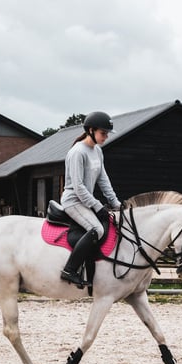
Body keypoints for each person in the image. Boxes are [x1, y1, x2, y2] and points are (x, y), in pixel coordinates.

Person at [59, 111, 122, 287]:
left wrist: (116, 203)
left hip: (85, 201)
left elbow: (103, 179)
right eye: (103, 133)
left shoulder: (97, 151)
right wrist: (97, 206)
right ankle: (70, 269)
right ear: (91, 130)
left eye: (107, 133)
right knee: (97, 229)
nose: (106, 137)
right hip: (73, 201)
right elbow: (78, 187)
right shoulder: (77, 152)